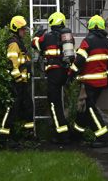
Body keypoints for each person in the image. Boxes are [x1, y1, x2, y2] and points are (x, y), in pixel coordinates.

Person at [69, 14, 108, 146]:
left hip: (88, 83)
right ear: (102, 27)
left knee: (89, 109)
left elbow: (79, 61)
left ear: (89, 27)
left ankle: (103, 137)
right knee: (83, 110)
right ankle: (77, 134)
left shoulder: (87, 41)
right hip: (101, 83)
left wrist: (70, 74)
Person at [31, 11, 74, 141]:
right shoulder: (68, 37)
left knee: (54, 104)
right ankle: (65, 132)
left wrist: (37, 35)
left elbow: (34, 44)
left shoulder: (47, 37)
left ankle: (62, 135)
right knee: (59, 102)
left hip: (54, 73)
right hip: (65, 72)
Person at [0, 15, 34, 142]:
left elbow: (23, 60)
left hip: (22, 83)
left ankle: (29, 134)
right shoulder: (13, 43)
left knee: (28, 107)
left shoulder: (19, 42)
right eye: (22, 29)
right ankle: (4, 137)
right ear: (16, 29)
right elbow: (12, 64)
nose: (24, 31)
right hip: (16, 83)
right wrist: (18, 79)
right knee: (12, 109)